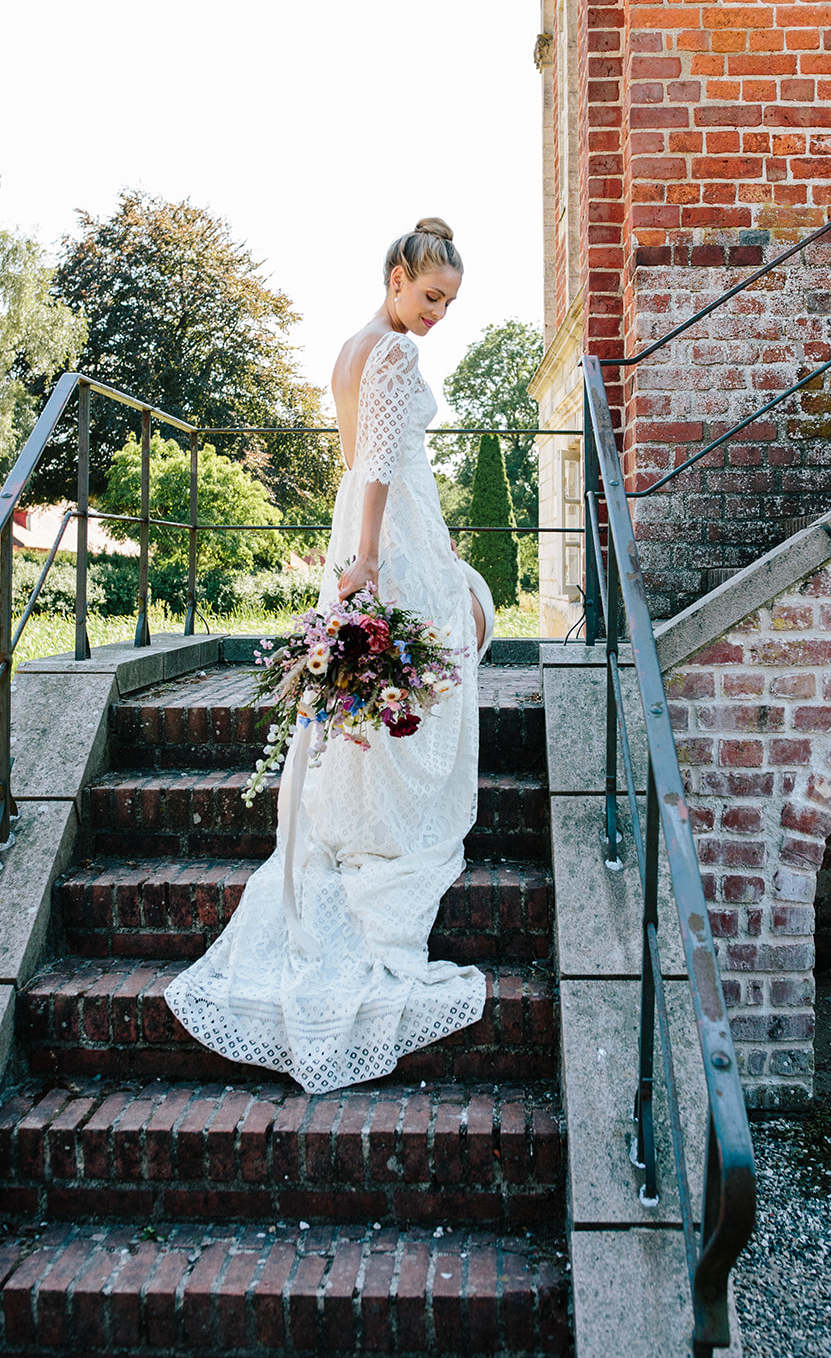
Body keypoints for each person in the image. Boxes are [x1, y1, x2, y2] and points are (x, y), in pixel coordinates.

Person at [165, 218, 495, 1094]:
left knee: (401, 665)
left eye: (449, 305)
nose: (437, 317)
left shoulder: (350, 346)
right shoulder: (391, 355)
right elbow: (379, 461)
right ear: (396, 277)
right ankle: (391, 826)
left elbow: (353, 459)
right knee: (428, 664)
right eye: (430, 298)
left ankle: (364, 811)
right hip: (387, 529)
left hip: (367, 518)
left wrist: (355, 540)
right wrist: (371, 557)